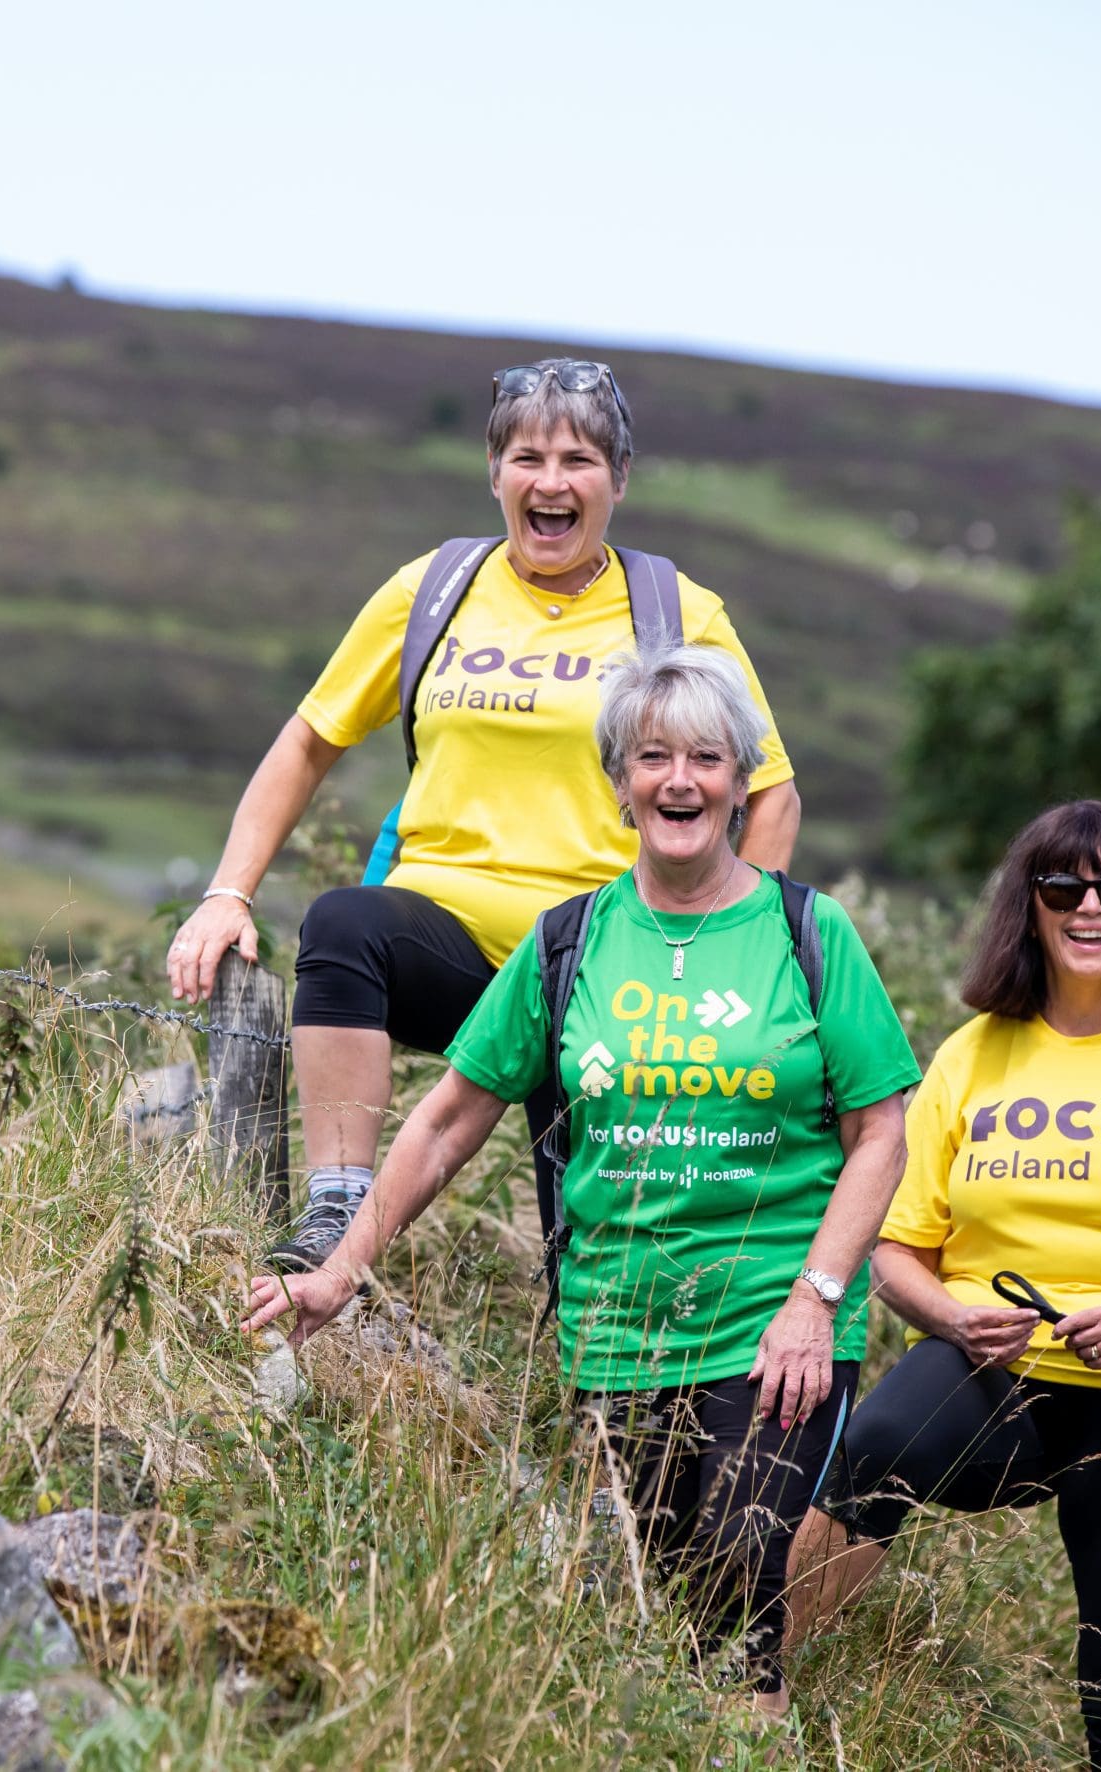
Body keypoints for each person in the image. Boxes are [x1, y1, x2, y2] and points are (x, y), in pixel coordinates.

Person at [243, 642, 918, 1714]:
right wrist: (339, 1269)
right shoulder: (568, 944)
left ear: (742, 780)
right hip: (619, 1331)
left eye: (705, 757)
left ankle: (753, 1730)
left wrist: (816, 1297)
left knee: (742, 1566)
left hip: (774, 1324)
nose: (679, 781)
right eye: (653, 757)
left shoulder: (805, 931)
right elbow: (446, 1122)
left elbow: (880, 1132)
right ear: (618, 782)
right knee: (679, 1612)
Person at [167, 357, 801, 1274]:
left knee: (590, 1261)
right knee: (345, 923)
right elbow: (307, 741)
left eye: (580, 460)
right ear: (495, 474)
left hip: (608, 962)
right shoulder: (433, 590)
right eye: (529, 457)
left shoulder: (676, 613)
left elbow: (770, 788)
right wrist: (229, 891)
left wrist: (737, 948)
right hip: (450, 939)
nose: (552, 482)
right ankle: (336, 1214)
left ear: (617, 481)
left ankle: (594, 1384)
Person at [795, 800, 1101, 1772]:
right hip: (999, 1370)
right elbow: (898, 1252)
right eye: (1061, 884)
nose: (1088, 905)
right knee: (874, 1446)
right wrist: (951, 1314)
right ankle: (750, 1688)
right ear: (1025, 905)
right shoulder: (973, 1051)